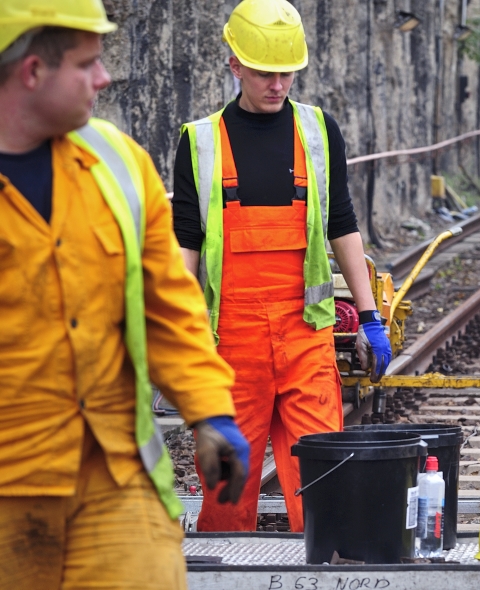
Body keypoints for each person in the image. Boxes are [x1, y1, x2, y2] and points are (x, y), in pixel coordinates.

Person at [0, 1, 250, 588]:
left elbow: (168, 307)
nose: (105, 78)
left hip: (114, 480)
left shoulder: (117, 163)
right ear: (32, 72)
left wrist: (209, 409)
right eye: (87, 64)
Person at [173, 0, 393, 533]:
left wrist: (368, 317)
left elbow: (342, 224)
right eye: (266, 72)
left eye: (287, 72)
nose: (278, 84)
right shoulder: (199, 143)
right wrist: (174, 330)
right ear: (235, 65)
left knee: (324, 483)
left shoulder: (318, 132)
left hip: (305, 336)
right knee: (225, 490)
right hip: (231, 347)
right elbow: (186, 242)